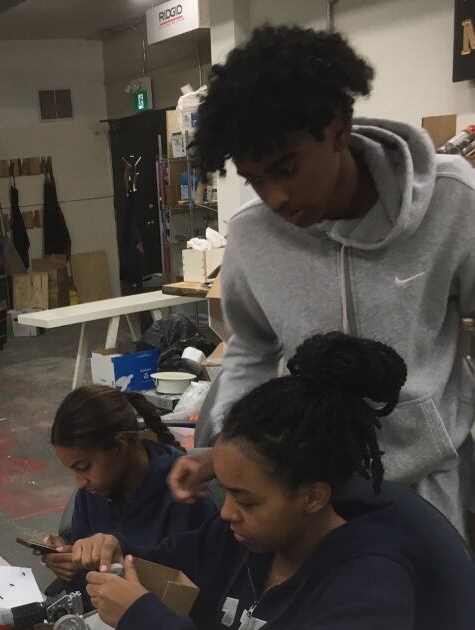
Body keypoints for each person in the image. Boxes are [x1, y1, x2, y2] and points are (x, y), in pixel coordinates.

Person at [71, 333, 475, 630]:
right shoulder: (240, 537)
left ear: (313, 496)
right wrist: (115, 547)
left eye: (245, 499)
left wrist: (147, 625)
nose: (227, 511)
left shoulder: (369, 592)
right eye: (226, 492)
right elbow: (166, 560)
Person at [173, 24, 475, 538]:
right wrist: (228, 445)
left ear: (337, 130)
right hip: (312, 490)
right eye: (255, 180)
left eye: (286, 169)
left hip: (431, 484)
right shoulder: (253, 236)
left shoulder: (452, 202)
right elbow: (251, 350)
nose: (274, 198)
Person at [42, 385, 216, 585]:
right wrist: (71, 561)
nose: (79, 483)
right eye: (73, 470)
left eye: (84, 467)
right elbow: (91, 581)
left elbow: (193, 592)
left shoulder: (184, 493)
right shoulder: (93, 492)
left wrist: (120, 555)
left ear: (120, 445)